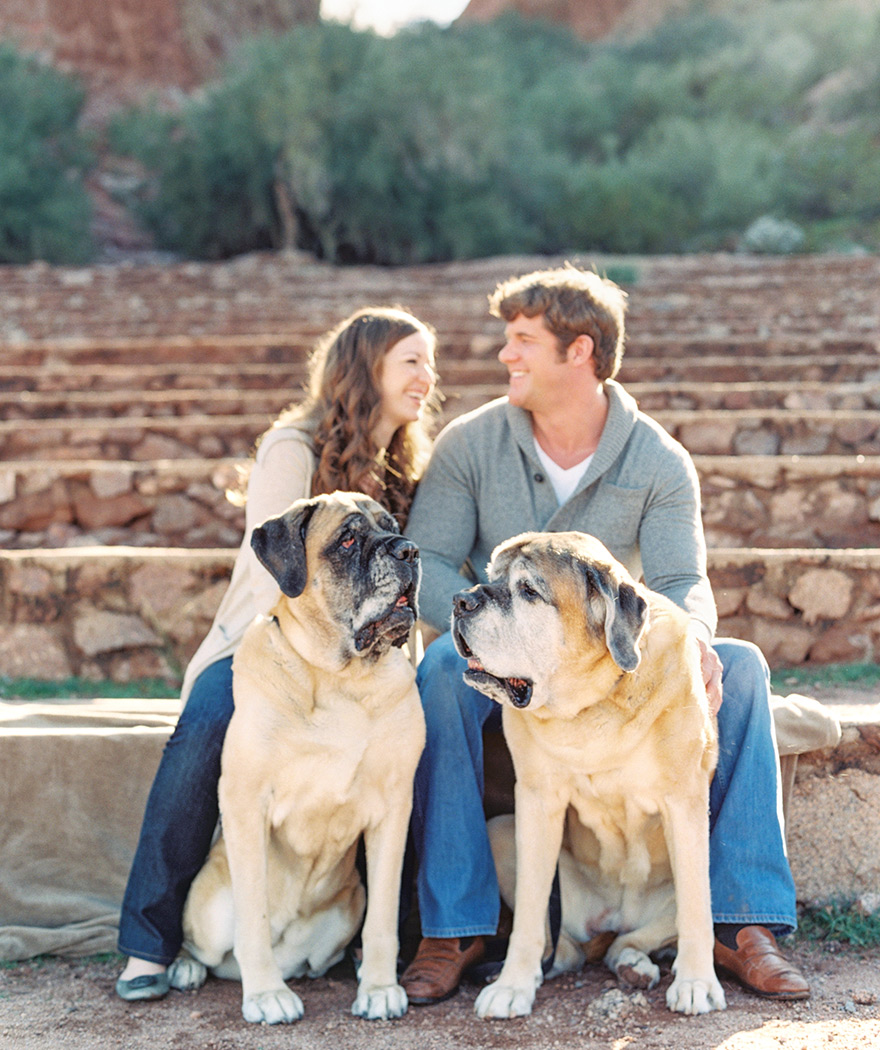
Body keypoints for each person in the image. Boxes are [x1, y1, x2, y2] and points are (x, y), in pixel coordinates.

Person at [400, 266, 810, 1006]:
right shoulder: (471, 444)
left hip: (610, 663)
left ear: (579, 351)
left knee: (742, 668)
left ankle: (741, 921)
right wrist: (497, 636)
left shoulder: (657, 460)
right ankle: (454, 925)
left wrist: (694, 641)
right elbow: (427, 557)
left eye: (523, 341)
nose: (506, 357)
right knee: (436, 670)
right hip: (511, 671)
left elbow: (684, 580)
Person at [115, 306, 438, 1001]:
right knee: (207, 726)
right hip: (263, 636)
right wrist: (283, 667)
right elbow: (274, 573)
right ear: (369, 366)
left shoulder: (405, 462)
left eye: (429, 361)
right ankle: (147, 940)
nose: (428, 376)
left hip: (366, 649)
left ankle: (406, 940)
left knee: (412, 750)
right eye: (413, 360)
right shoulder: (294, 446)